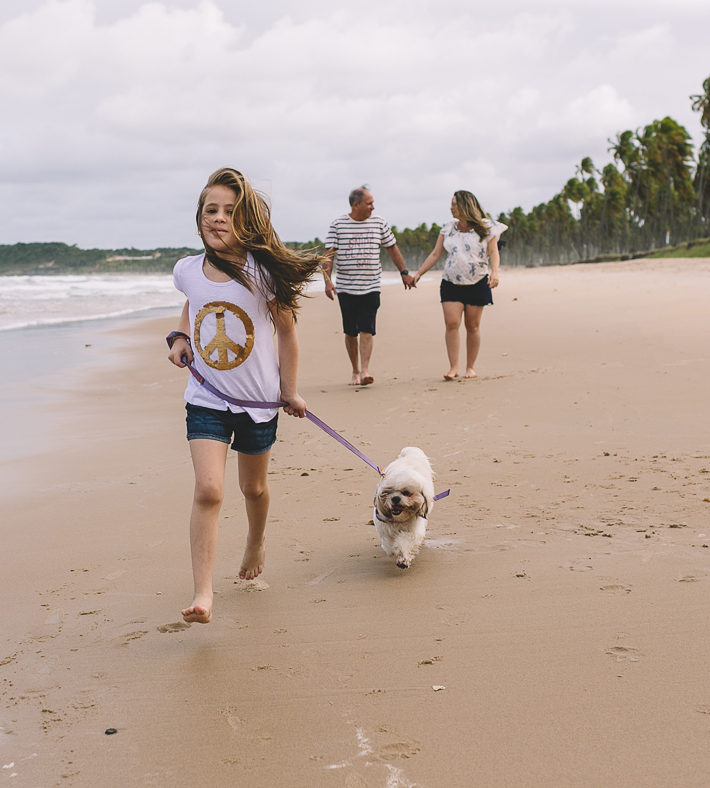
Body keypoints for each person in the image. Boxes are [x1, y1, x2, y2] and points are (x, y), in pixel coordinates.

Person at [167, 167, 321, 624]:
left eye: (229, 212)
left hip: (258, 404)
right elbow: (191, 305)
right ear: (198, 219)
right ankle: (203, 593)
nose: (218, 218)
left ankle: (256, 539)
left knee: (252, 488)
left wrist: (289, 391)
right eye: (210, 210)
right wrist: (179, 338)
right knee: (209, 490)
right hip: (207, 399)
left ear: (247, 221)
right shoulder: (187, 270)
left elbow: (288, 335)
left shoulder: (262, 273)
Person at [322, 186, 416, 386]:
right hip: (346, 288)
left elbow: (392, 249)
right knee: (350, 331)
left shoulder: (379, 223)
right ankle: (355, 371)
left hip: (371, 285)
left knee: (366, 328)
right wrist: (327, 281)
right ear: (356, 205)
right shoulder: (338, 224)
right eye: (369, 203)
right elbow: (328, 254)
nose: (373, 207)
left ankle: (365, 371)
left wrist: (404, 272)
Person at [413, 190, 506, 380]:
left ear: (465, 205)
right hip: (451, 282)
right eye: (451, 203)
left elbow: (493, 252)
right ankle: (453, 367)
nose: (451, 207)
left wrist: (495, 272)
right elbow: (435, 254)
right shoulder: (448, 228)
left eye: (454, 204)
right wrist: (419, 274)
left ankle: (470, 367)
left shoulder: (486, 227)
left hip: (477, 282)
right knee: (452, 323)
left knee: (472, 326)